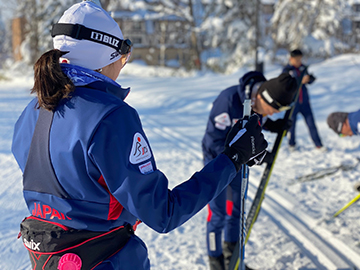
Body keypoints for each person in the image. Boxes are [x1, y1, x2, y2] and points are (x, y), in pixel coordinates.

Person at [11, 1, 268, 270]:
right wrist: (232, 158)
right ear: (105, 57)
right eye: (121, 57)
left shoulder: (33, 110)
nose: (121, 67)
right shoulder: (110, 116)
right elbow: (162, 214)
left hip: (47, 258)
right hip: (105, 260)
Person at [201, 71, 298, 270]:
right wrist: (252, 154)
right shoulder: (228, 100)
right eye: (272, 110)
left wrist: (274, 125)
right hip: (215, 163)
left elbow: (254, 123)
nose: (271, 113)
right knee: (218, 213)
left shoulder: (258, 103)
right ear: (262, 97)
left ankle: (232, 257)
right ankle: (215, 261)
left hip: (239, 165)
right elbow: (213, 141)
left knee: (236, 211)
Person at [282, 49, 326, 151]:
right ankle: (291, 144)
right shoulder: (287, 70)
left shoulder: (303, 68)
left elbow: (308, 81)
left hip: (305, 102)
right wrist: (299, 80)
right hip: (293, 102)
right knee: (292, 124)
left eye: (300, 59)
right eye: (297, 60)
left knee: (311, 123)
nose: (299, 62)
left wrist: (310, 79)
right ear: (291, 59)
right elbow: (285, 84)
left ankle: (318, 144)